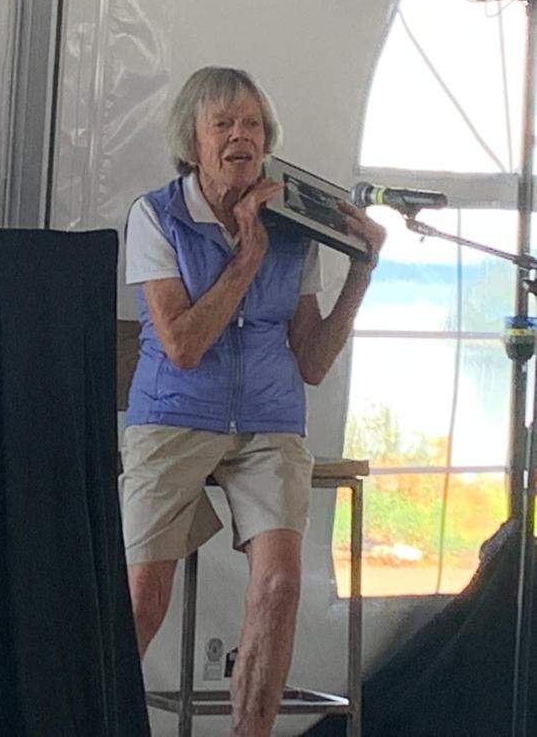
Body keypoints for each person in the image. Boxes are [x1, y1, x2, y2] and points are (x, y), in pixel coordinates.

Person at [121, 66, 384, 737]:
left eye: (254, 125)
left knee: (279, 586)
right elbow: (180, 344)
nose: (242, 136)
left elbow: (313, 360)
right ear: (192, 141)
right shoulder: (157, 214)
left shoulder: (295, 228)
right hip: (174, 411)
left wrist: (360, 269)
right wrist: (243, 258)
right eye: (224, 124)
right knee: (142, 596)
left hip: (268, 419)